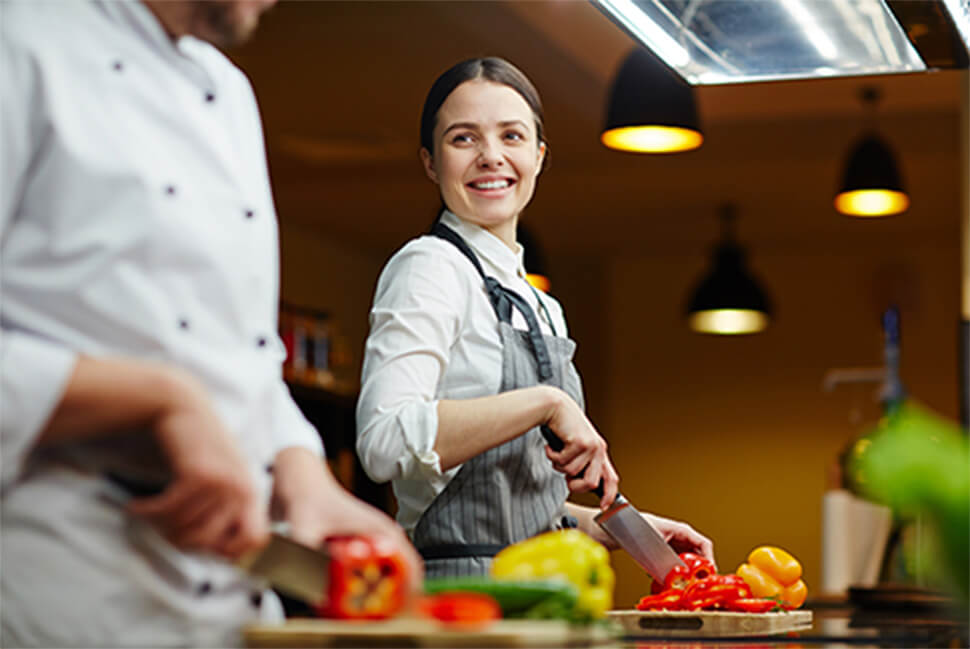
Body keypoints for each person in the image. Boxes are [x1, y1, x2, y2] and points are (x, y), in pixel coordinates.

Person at [0, 1, 420, 646]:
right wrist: (160, 399)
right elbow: (184, 380)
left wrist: (302, 475)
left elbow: (236, 356)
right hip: (60, 602)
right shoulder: (20, 38)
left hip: (231, 610)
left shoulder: (228, 92)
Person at [356, 57, 714, 578]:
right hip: (465, 601)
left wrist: (614, 526)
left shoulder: (544, 308)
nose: (491, 156)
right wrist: (546, 402)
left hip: (547, 588)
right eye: (463, 139)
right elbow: (383, 442)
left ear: (540, 156)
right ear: (431, 162)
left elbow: (510, 502)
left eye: (512, 136)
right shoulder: (430, 267)